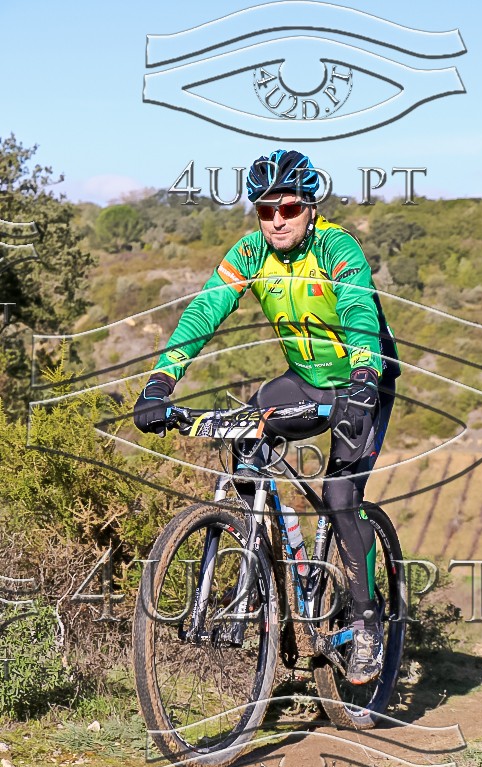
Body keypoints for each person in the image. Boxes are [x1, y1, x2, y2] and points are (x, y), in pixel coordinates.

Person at [133, 149, 400, 684]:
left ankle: (367, 621)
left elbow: (358, 314)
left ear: (310, 207)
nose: (277, 220)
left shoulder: (337, 248)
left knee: (341, 496)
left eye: (289, 208)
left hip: (363, 382)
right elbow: (205, 310)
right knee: (246, 439)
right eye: (265, 210)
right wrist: (161, 380)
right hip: (304, 379)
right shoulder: (251, 252)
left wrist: (363, 381)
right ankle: (269, 569)